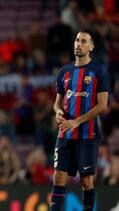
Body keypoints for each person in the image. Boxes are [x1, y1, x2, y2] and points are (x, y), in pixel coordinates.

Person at [50, 29, 109, 211]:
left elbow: (102, 105)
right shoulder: (64, 71)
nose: (78, 44)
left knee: (86, 179)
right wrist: (58, 112)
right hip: (66, 132)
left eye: (83, 41)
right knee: (59, 176)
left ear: (91, 47)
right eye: (77, 40)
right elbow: (57, 103)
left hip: (87, 134)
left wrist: (77, 121)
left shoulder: (98, 70)